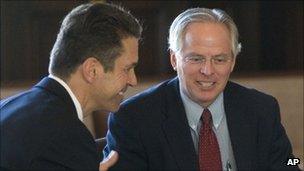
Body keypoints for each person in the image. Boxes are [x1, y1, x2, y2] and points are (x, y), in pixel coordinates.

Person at [103, 7, 300, 171]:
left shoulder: (261, 109)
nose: (208, 71)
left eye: (219, 59)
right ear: (174, 59)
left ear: (232, 62)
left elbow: (288, 163)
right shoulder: (134, 119)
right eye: (196, 59)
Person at [1, 2, 142, 171]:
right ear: (92, 70)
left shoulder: (7, 107)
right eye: (127, 69)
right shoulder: (69, 138)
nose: (133, 81)